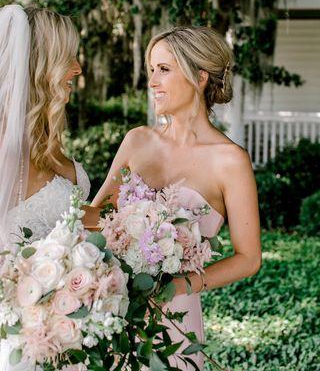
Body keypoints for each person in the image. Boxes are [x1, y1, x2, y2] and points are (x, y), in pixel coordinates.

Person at [92, 26, 262, 369]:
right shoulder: (137, 141)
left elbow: (248, 258)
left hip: (174, 321)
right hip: (112, 307)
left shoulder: (230, 160)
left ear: (199, 77)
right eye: (151, 70)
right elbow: (97, 216)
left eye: (164, 70)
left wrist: (179, 287)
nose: (153, 81)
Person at [0, 4, 90, 370]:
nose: (78, 68)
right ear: (42, 64)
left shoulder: (48, 146)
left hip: (73, 338)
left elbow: (83, 224)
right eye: (69, 57)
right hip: (20, 343)